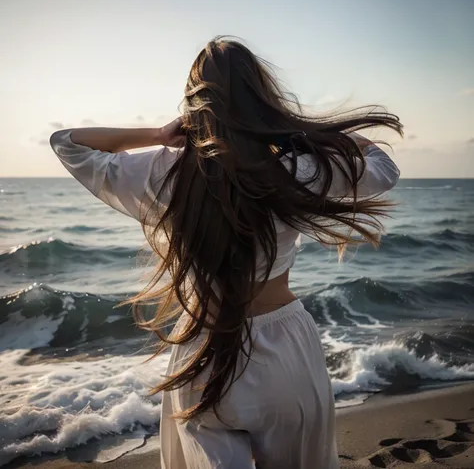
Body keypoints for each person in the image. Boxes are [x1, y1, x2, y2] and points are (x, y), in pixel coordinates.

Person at [50, 36, 402, 469]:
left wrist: (158, 134)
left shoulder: (163, 170)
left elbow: (67, 142)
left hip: (204, 349)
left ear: (195, 105)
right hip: (283, 349)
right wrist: (305, 133)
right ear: (262, 99)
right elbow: (385, 170)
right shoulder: (297, 171)